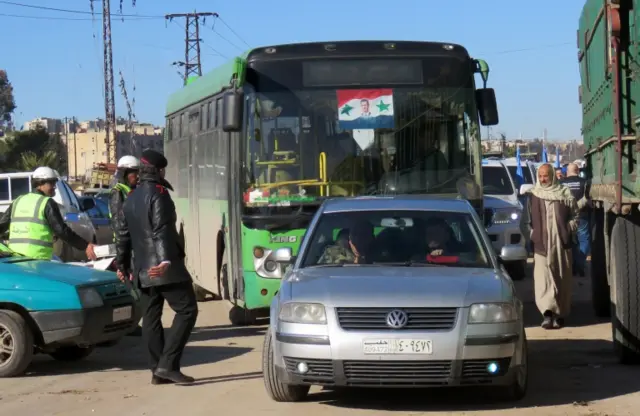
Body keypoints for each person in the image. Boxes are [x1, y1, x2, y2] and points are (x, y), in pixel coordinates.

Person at [115, 149, 198, 385]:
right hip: (163, 269)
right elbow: (162, 229)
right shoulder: (159, 194)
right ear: (159, 171)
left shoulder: (130, 197)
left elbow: (122, 235)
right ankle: (167, 365)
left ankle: (157, 371)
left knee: (151, 317)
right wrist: (164, 261)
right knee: (187, 310)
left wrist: (121, 264)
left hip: (141, 270)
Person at [0, 166, 97, 261]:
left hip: (16, 260)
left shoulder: (18, 201)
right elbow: (61, 231)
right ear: (40, 183)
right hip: (38, 260)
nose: (54, 186)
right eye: (51, 183)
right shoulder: (47, 203)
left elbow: (2, 226)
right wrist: (85, 245)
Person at [526, 163, 579, 330]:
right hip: (541, 245)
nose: (543, 179)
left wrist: (569, 228)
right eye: (540, 176)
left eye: (546, 176)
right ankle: (547, 314)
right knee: (543, 280)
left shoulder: (564, 194)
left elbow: (575, 215)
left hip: (561, 244)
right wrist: (532, 235)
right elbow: (525, 221)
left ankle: (560, 314)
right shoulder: (533, 195)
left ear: (553, 176)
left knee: (561, 279)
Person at [109, 155, 142, 337]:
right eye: (133, 173)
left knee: (136, 285)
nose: (136, 176)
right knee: (131, 287)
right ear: (124, 173)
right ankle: (129, 324)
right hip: (126, 246)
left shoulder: (133, 190)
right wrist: (122, 256)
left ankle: (132, 322)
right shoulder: (118, 192)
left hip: (135, 244)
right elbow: (120, 224)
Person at [559, 163, 591, 277]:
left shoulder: (561, 183)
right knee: (584, 240)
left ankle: (573, 265)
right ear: (578, 171)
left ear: (567, 171)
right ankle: (580, 264)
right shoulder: (584, 182)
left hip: (567, 217)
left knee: (570, 240)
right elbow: (588, 198)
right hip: (582, 215)